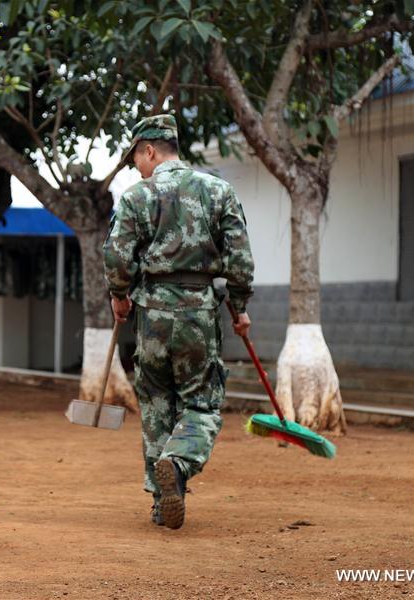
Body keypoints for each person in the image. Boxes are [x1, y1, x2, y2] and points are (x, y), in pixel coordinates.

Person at [103, 114, 254, 530]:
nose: (137, 166)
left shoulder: (136, 197)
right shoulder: (219, 191)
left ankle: (160, 498)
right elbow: (240, 258)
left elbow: (116, 256)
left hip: (151, 315)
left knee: (155, 403)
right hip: (199, 314)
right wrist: (239, 307)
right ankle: (179, 462)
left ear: (150, 150)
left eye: (136, 157)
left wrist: (120, 297)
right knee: (201, 401)